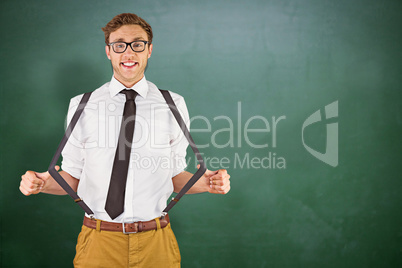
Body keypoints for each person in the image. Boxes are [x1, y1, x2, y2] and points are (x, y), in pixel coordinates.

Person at [19, 13, 230, 267]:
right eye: (119, 45)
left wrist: (207, 183)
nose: (128, 53)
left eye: (137, 44)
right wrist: (42, 183)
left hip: (156, 241)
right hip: (99, 241)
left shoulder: (172, 103)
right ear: (108, 51)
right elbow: (72, 176)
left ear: (149, 50)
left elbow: (174, 176)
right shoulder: (82, 105)